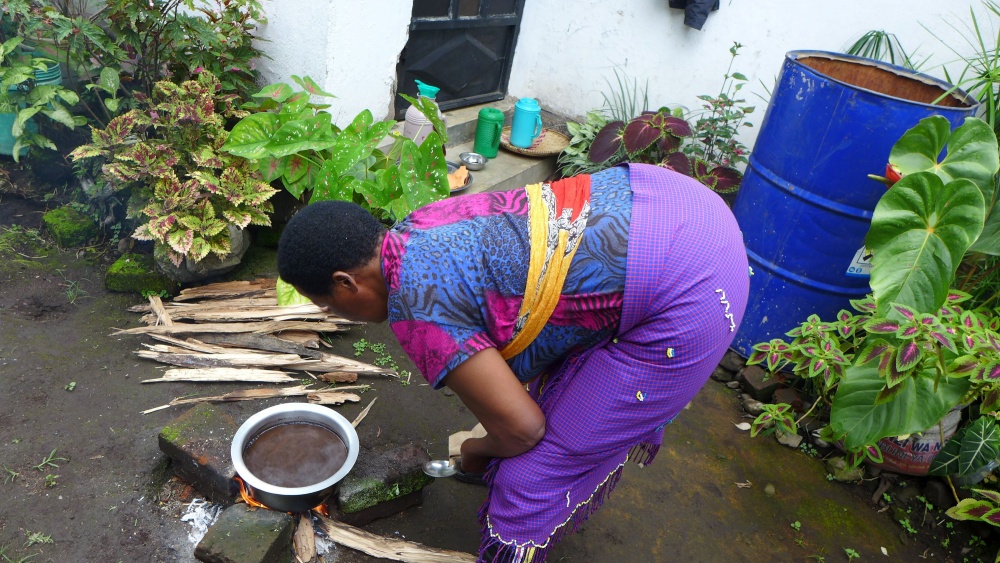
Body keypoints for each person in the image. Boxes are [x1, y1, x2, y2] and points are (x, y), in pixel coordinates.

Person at [277, 163, 749, 562]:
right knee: (555, 402)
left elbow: (523, 429)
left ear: (345, 284)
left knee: (528, 477)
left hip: (693, 290)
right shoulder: (415, 228)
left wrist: (478, 452)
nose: (327, 313)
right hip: (671, 200)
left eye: (324, 304)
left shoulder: (418, 308)